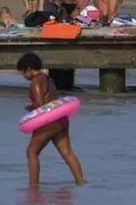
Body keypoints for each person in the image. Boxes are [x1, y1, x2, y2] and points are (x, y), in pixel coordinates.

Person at [16, 52, 85, 187]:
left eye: (23, 72)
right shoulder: (48, 79)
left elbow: (40, 104)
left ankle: (33, 186)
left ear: (29, 69)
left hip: (48, 122)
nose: (23, 76)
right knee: (67, 152)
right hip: (61, 120)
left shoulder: (35, 81)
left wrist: (28, 107)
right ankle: (81, 182)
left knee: (31, 152)